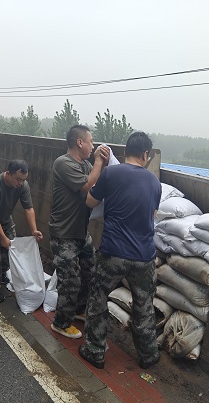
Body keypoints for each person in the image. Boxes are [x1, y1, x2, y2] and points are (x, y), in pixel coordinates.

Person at [79, 131, 161, 370]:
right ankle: (148, 356)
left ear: (125, 151)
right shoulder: (154, 182)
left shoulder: (111, 173)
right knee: (144, 306)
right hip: (144, 257)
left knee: (98, 298)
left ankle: (95, 351)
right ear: (145, 154)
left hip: (113, 252)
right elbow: (153, 215)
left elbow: (90, 202)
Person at [49, 125, 109, 339]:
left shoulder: (85, 164)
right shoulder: (63, 163)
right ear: (80, 142)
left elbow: (97, 181)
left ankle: (77, 310)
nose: (93, 146)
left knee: (89, 272)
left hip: (81, 233)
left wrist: (103, 164)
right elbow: (87, 186)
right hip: (64, 233)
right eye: (91, 142)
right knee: (70, 280)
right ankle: (61, 322)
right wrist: (99, 162)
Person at [0, 160, 43, 303]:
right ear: (8, 173)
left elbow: (28, 209)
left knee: (11, 248)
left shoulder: (23, 185)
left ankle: (1, 273)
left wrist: (34, 230)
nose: (21, 183)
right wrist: (2, 237)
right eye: (18, 179)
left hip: (6, 219)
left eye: (23, 179)